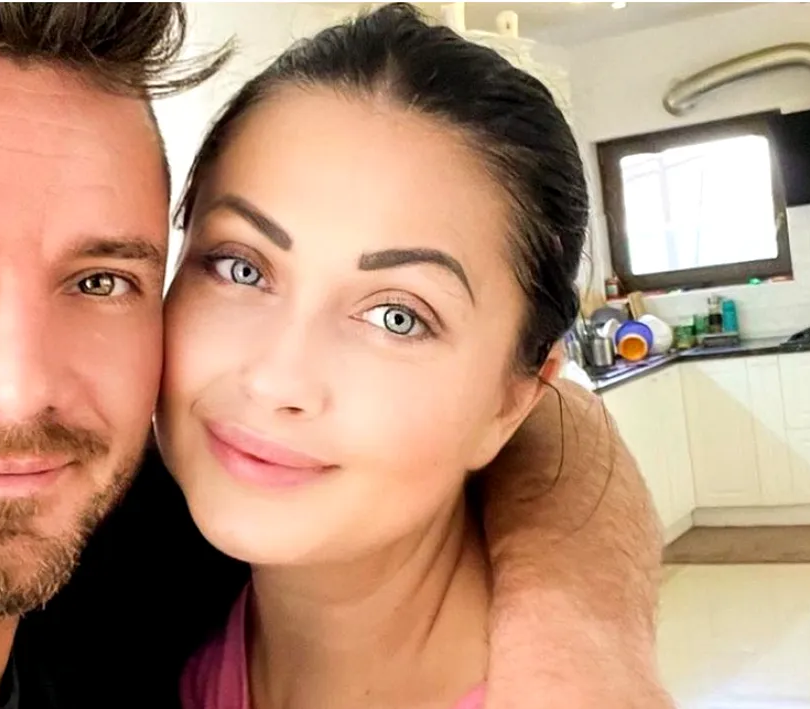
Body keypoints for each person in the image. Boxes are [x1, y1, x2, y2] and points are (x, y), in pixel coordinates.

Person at [0, 3, 668, 709]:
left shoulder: (128, 542)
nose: (22, 388)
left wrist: (579, 649)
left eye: (101, 278)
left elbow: (552, 411)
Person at [160, 6, 656, 708]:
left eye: (398, 317)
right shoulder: (157, 619)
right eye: (241, 267)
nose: (275, 378)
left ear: (512, 400)